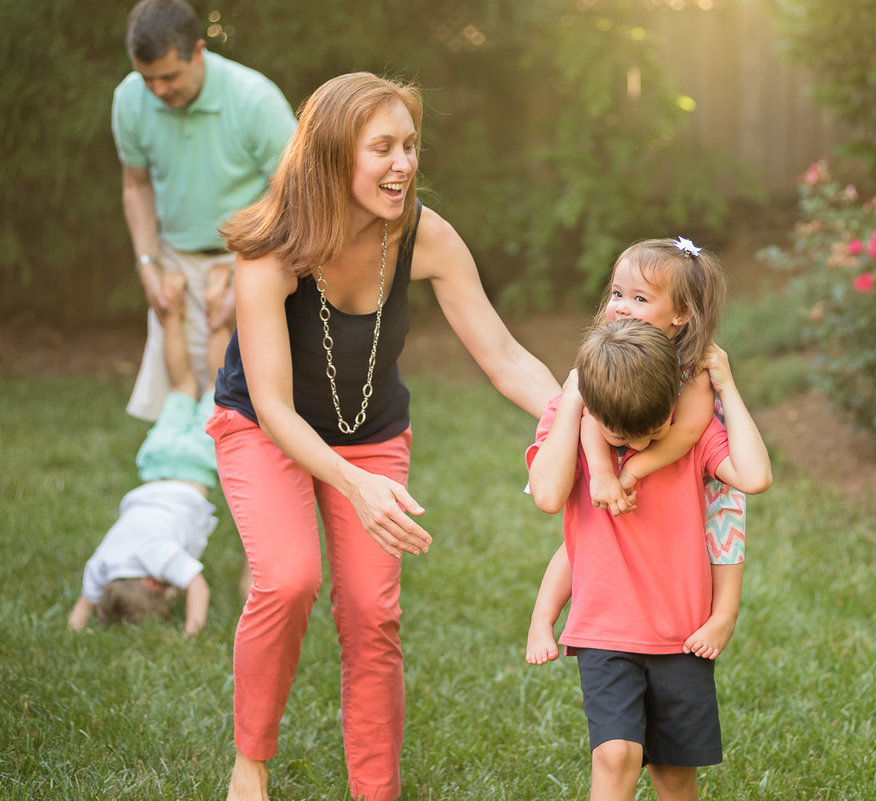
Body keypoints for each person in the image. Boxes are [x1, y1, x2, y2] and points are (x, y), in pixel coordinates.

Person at [207, 72, 561, 801]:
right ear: (336, 155)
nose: (404, 163)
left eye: (410, 145)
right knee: (289, 576)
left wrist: (576, 420)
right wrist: (353, 483)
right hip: (264, 428)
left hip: (370, 432)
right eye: (383, 148)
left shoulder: (423, 234)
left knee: (372, 611)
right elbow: (272, 405)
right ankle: (251, 759)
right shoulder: (269, 248)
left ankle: (378, 790)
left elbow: (501, 354)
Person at [526, 319, 772, 801]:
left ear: (674, 410)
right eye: (620, 434)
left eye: (653, 430)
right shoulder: (577, 430)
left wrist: (726, 386)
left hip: (681, 635)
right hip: (605, 630)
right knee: (615, 755)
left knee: (676, 774)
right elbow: (549, 495)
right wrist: (575, 400)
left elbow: (755, 476)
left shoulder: (693, 437)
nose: (635, 444)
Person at [525, 237, 748, 666]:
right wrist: (605, 475)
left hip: (698, 469)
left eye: (639, 298)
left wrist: (632, 471)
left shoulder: (695, 368)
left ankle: (724, 614)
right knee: (587, 536)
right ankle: (543, 616)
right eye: (617, 294)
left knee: (724, 525)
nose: (622, 306)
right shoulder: (608, 358)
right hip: (615, 459)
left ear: (681, 314)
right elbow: (590, 418)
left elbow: (682, 435)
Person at [113, 0, 296, 421]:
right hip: (175, 263)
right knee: (181, 407)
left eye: (169, 77)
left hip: (251, 260)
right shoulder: (127, 100)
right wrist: (148, 265)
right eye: (147, 79)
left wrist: (250, 279)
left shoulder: (254, 99)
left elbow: (298, 199)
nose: (158, 91)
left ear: (198, 52)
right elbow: (136, 186)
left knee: (247, 412)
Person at [68, 268, 233, 636]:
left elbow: (197, 587)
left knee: (216, 382)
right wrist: (77, 628)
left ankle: (218, 301)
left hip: (193, 463)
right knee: (183, 384)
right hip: (156, 460)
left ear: (149, 583)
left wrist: (193, 633)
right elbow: (83, 605)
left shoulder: (159, 560)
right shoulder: (104, 564)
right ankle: (173, 307)